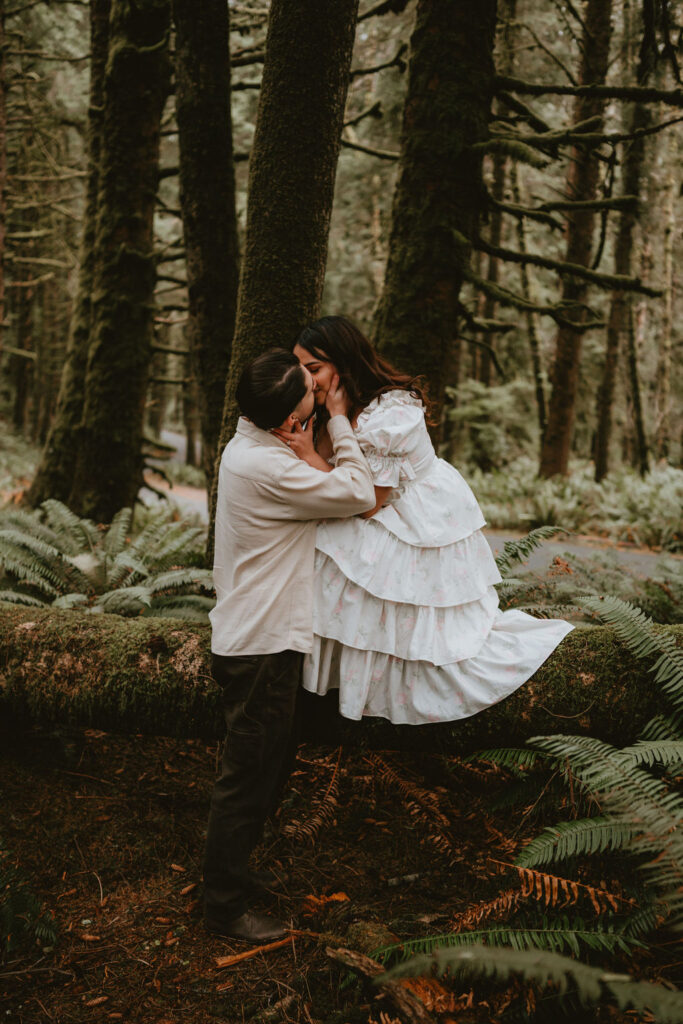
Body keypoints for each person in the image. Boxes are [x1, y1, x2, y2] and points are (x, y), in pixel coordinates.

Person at [284, 315, 573, 725]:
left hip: (410, 512)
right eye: (301, 370)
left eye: (314, 369)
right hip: (369, 503)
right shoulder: (326, 403)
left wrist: (312, 452)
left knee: (342, 560)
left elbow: (368, 502)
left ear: (344, 364)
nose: (307, 380)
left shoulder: (391, 411)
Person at [203, 347, 375, 943]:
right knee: (247, 778)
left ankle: (236, 882)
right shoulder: (270, 468)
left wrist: (305, 424)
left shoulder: (252, 443)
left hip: (258, 638)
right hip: (260, 647)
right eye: (310, 391)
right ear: (287, 419)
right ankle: (223, 907)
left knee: (266, 769)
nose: (320, 391)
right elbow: (357, 492)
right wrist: (341, 420)